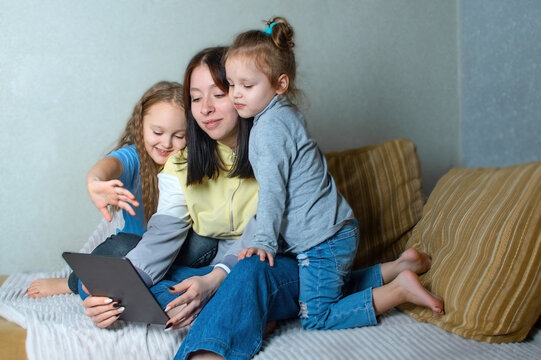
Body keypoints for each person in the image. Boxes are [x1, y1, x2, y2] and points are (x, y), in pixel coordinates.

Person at [224, 16, 444, 332]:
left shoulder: (268, 130)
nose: (236, 94)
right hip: (334, 230)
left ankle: (399, 290)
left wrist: (264, 241)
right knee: (326, 284)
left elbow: (273, 192)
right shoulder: (285, 114)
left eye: (247, 85)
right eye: (232, 84)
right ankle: (398, 267)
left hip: (322, 240)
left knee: (316, 315)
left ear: (279, 84)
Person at [81, 47, 260, 329]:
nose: (206, 108)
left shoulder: (271, 145)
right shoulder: (176, 163)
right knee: (129, 279)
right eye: (196, 98)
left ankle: (233, 300)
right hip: (164, 256)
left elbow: (264, 232)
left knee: (221, 260)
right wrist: (111, 295)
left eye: (218, 94)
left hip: (250, 260)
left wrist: (215, 278)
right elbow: (162, 234)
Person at [27, 81, 197, 298]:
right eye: (157, 132)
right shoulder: (134, 157)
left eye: (179, 136)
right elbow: (110, 166)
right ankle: (73, 282)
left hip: (171, 252)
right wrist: (95, 181)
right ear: (140, 125)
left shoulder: (191, 162)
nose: (166, 143)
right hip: (133, 250)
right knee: (120, 247)